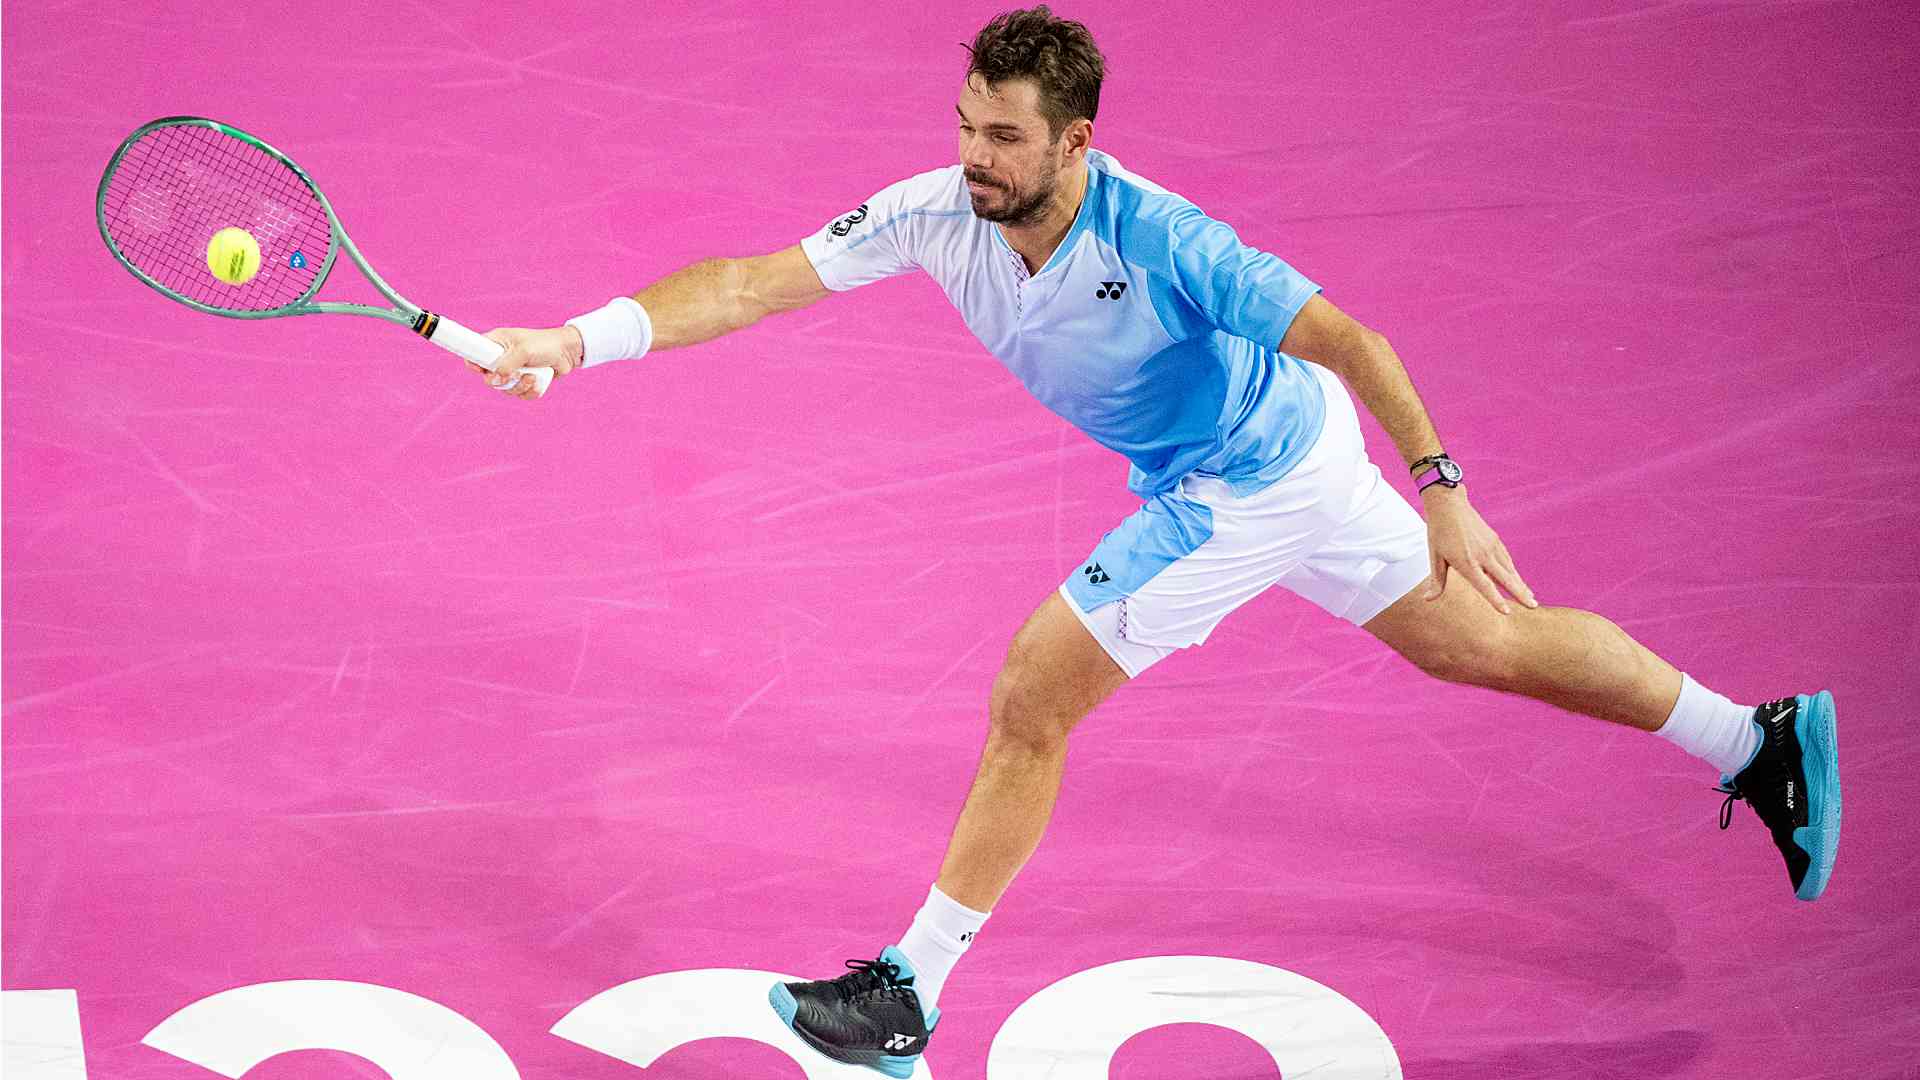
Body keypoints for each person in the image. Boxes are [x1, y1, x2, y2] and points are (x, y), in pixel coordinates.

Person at [475, 7, 1841, 1076]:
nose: (975, 157)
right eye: (966, 125)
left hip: (1249, 482)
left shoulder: (1170, 241)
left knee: (1031, 696)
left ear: (1076, 142)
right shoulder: (939, 214)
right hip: (1291, 453)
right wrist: (574, 344)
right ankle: (1754, 739)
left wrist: (1441, 484)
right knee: (1481, 646)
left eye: (1006, 137)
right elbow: (748, 285)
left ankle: (908, 991)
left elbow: (1356, 339)